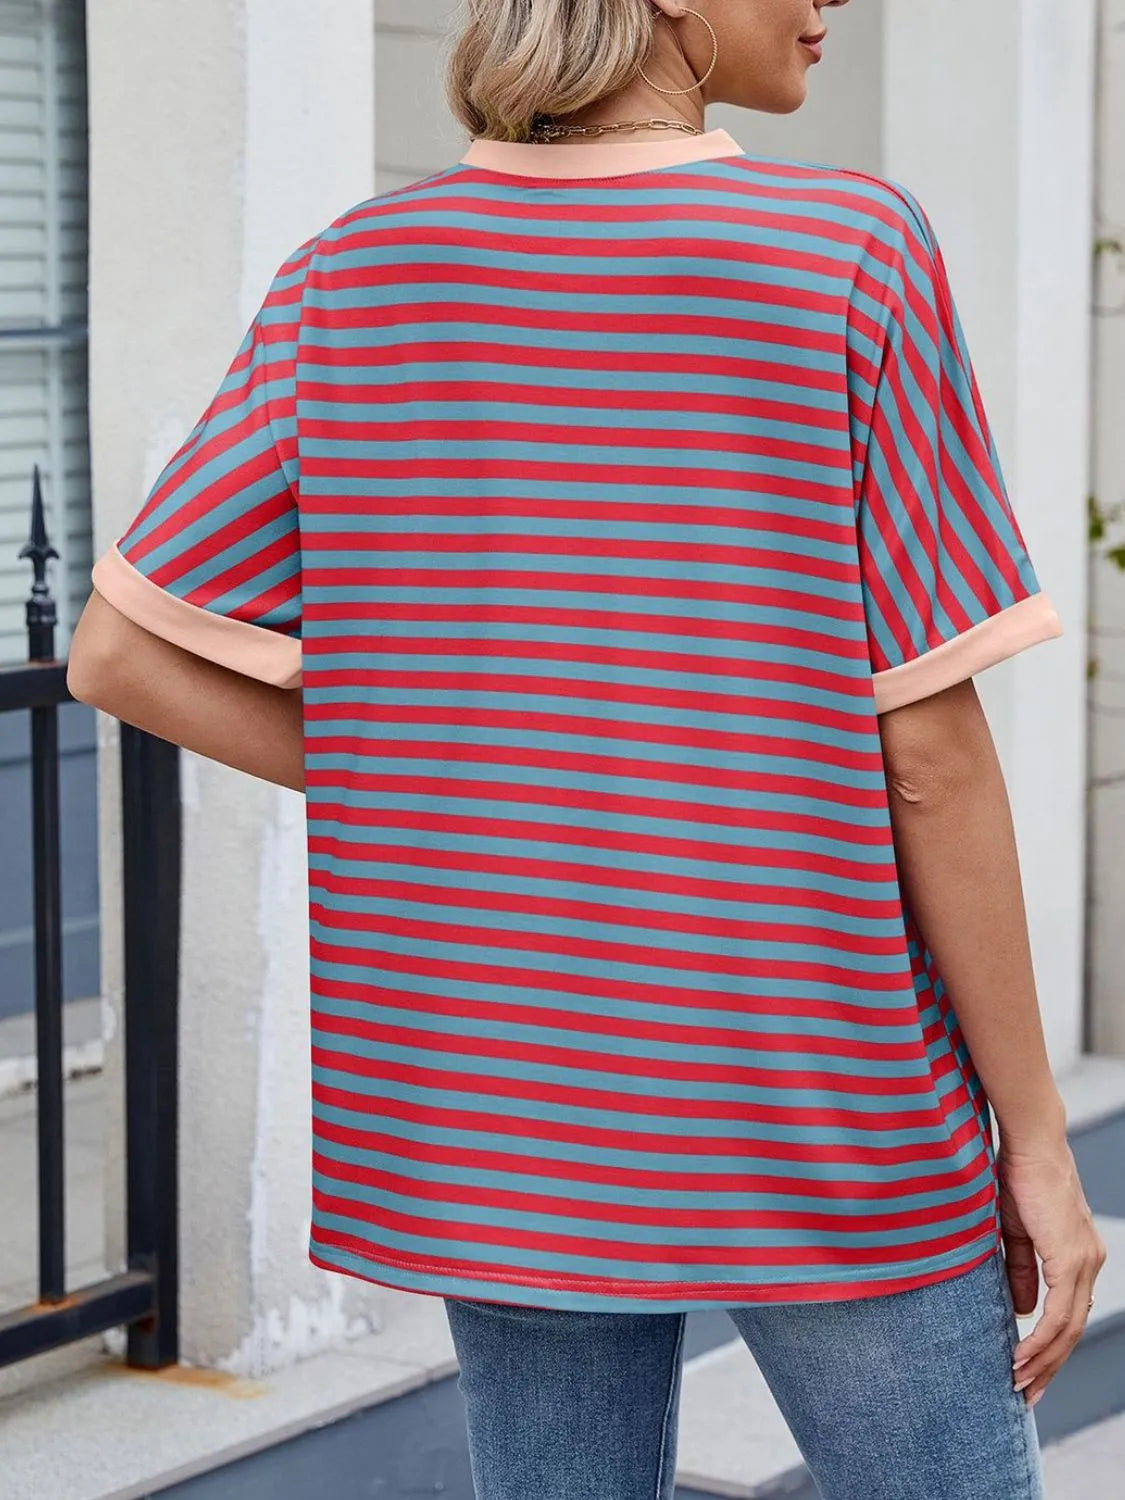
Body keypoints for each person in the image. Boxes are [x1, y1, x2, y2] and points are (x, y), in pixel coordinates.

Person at [68, 1, 1106, 1496]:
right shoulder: (844, 252)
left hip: (499, 1100)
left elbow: (120, 651)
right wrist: (1038, 1143)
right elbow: (928, 755)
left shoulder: (351, 278)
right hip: (818, 1092)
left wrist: (451, 771)